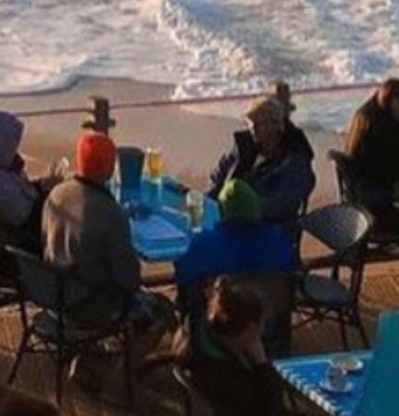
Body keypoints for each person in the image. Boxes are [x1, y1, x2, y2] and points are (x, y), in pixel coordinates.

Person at [42, 132, 174, 339]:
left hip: (54, 298)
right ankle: (119, 368)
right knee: (164, 311)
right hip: (91, 308)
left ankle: (90, 357)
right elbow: (130, 280)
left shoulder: (56, 195)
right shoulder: (111, 213)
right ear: (111, 168)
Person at [178, 277, 289, 416]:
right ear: (251, 329)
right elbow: (271, 409)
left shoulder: (198, 339)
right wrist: (261, 361)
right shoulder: (228, 379)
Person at [173, 180, 296, 297]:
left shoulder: (203, 245)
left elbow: (184, 276)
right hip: (269, 316)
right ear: (255, 207)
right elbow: (288, 269)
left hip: (213, 316)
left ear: (221, 210)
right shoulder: (278, 241)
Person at [207, 97, 315, 228]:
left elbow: (281, 205)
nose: (253, 128)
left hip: (266, 231)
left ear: (276, 125)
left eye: (259, 123)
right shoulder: (244, 147)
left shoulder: (294, 162)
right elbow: (219, 176)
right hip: (228, 220)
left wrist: (236, 208)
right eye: (250, 123)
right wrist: (204, 201)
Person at [341, 77, 399, 225]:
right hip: (374, 197)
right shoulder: (379, 126)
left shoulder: (369, 114)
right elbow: (396, 168)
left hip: (361, 190)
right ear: (388, 102)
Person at [0, 109, 47, 249]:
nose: (15, 148)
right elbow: (30, 216)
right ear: (0, 142)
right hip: (22, 249)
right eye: (12, 143)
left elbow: (20, 194)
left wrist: (41, 185)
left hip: (13, 238)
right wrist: (49, 196)